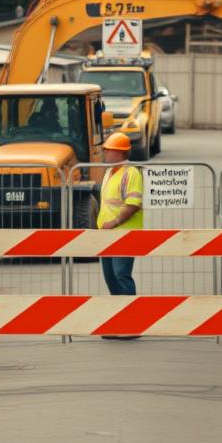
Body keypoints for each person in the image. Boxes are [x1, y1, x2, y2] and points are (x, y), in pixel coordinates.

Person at [97, 133, 143, 339]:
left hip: (123, 234)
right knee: (110, 278)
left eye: (109, 149)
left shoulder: (130, 173)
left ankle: (131, 324)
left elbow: (133, 204)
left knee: (121, 276)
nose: (105, 152)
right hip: (106, 235)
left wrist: (115, 222)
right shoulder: (109, 173)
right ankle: (118, 322)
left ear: (121, 152)